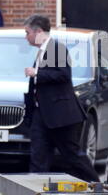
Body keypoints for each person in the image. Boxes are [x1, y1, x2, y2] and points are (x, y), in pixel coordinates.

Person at [23, 14, 100, 183]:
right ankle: (36, 191)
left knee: (72, 156)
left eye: (27, 32)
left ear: (39, 32)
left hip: (60, 115)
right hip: (41, 114)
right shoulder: (42, 51)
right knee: (38, 157)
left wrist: (37, 73)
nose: (26, 36)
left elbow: (63, 75)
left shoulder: (56, 49)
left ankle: (97, 186)